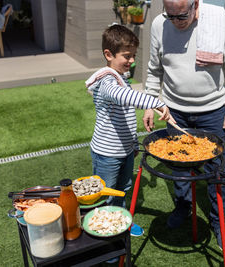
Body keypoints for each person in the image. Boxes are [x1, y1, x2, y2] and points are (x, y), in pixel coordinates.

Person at [143, 0, 225, 251]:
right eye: (171, 16)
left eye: (182, 16)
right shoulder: (159, 24)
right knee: (179, 168)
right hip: (174, 110)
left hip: (212, 111)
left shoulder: (219, 18)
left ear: (195, 4)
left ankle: (219, 222)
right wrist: (149, 102)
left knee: (216, 171)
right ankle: (183, 208)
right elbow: (154, 69)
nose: (176, 22)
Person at [86, 24, 174, 240]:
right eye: (127, 56)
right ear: (108, 54)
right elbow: (127, 98)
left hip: (124, 151)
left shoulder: (121, 78)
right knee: (105, 195)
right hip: (107, 154)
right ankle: (104, 233)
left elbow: (125, 119)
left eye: (133, 55)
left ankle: (121, 222)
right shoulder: (107, 81)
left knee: (123, 189)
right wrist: (157, 104)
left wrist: (133, 144)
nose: (132, 61)